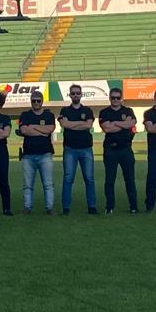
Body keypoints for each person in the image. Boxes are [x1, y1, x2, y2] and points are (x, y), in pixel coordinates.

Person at [58, 84, 99, 215]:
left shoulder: (88, 110)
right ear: (70, 95)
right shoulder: (64, 110)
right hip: (70, 149)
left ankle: (92, 207)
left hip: (86, 149)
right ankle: (66, 208)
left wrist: (71, 124)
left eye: (77, 93)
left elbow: (88, 125)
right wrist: (79, 124)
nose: (75, 95)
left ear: (81, 95)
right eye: (73, 93)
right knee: (68, 178)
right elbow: (64, 124)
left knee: (89, 178)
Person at [99, 87, 138, 214]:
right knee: (110, 180)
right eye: (113, 97)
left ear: (121, 99)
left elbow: (131, 124)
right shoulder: (104, 112)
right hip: (110, 149)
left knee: (130, 179)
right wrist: (123, 123)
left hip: (126, 149)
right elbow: (107, 129)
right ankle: (109, 206)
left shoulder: (128, 110)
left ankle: (133, 206)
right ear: (109, 98)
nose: (115, 100)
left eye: (117, 98)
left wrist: (114, 123)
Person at [17, 90, 56, 215]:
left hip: (45, 154)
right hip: (28, 155)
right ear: (31, 101)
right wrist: (42, 131)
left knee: (48, 184)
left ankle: (49, 208)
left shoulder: (49, 115)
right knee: (28, 185)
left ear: (42, 101)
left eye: (38, 100)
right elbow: (24, 130)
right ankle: (27, 207)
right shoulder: (25, 115)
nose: (36, 103)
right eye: (34, 100)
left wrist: (32, 127)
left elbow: (50, 129)